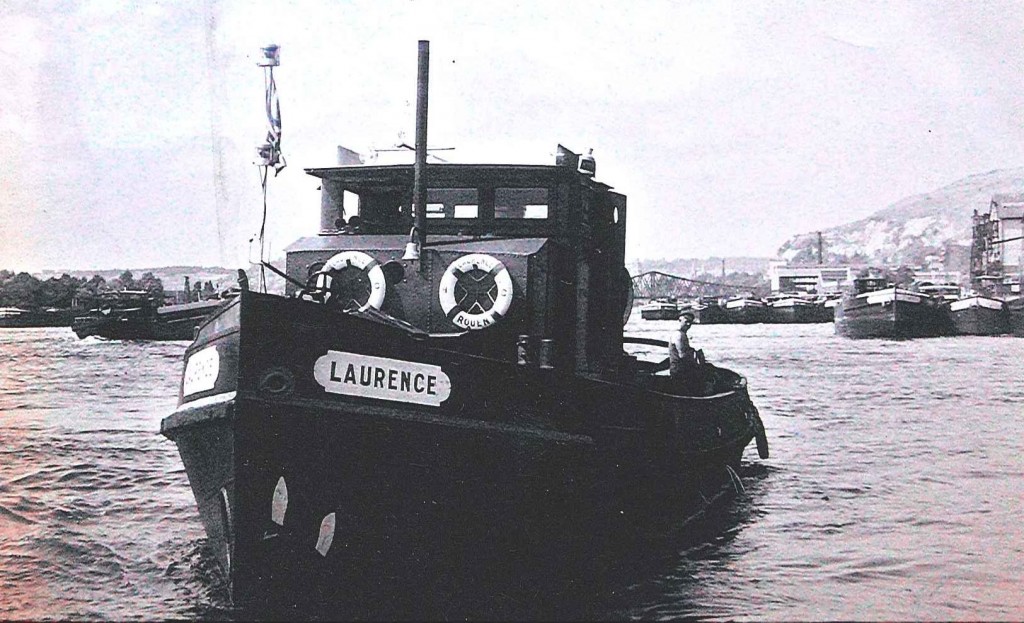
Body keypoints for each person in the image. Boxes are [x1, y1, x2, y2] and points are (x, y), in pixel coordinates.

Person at [669, 311, 696, 378]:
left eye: (690, 322)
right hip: (679, 371)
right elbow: (682, 355)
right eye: (686, 322)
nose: (688, 324)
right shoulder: (679, 335)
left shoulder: (682, 334)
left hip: (681, 368)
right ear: (680, 320)